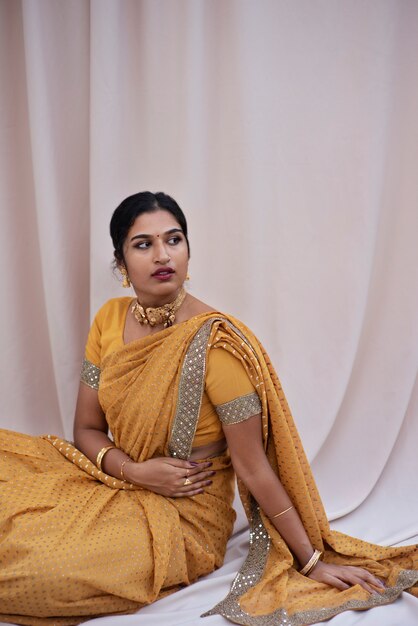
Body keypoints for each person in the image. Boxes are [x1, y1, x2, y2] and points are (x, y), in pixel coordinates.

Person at [0, 191, 417, 626]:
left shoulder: (215, 344)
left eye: (174, 239)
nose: (163, 254)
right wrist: (134, 471)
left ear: (187, 250)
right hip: (114, 480)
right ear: (121, 264)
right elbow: (86, 429)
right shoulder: (108, 319)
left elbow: (254, 468)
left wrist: (312, 562)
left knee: (44, 571)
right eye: (143, 244)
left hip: (183, 518)